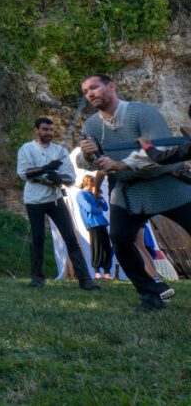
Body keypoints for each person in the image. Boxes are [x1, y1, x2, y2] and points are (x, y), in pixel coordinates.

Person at [76, 73, 191, 311]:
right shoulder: (92, 126)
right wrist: (87, 155)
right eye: (86, 91)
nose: (90, 94)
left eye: (94, 88)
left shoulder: (141, 113)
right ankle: (149, 294)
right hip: (128, 190)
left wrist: (123, 164)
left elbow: (161, 149)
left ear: (111, 86)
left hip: (164, 183)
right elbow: (87, 161)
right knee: (119, 238)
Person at [17, 117, 100, 291]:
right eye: (45, 130)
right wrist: (46, 169)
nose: (49, 133)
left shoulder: (60, 151)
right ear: (37, 130)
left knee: (71, 237)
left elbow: (70, 177)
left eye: (51, 130)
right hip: (34, 199)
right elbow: (24, 173)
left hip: (55, 198)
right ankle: (37, 277)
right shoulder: (27, 148)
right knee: (38, 238)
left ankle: (85, 279)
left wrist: (58, 178)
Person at [75, 174, 112, 280]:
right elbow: (89, 208)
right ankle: (97, 272)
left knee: (106, 247)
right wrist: (98, 209)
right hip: (92, 222)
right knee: (97, 247)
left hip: (101, 222)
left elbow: (105, 207)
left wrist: (101, 197)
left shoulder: (94, 194)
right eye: (94, 183)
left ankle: (107, 272)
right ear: (89, 183)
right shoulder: (81, 194)